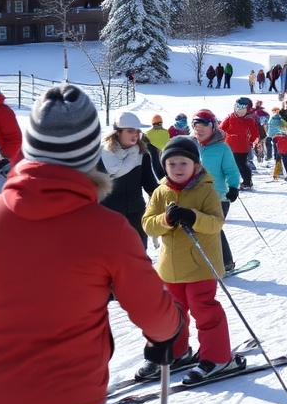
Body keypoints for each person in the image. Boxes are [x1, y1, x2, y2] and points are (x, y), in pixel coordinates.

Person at [0, 84, 182, 404]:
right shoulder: (108, 230)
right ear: (86, 153)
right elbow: (158, 318)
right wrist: (169, 329)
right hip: (68, 399)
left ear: (30, 146)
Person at [141, 135, 244, 385]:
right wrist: (165, 220)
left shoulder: (206, 190)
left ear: (196, 166)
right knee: (172, 313)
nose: (177, 169)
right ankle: (177, 352)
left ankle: (217, 357)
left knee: (204, 311)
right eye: (172, 164)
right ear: (164, 166)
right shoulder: (160, 191)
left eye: (183, 164)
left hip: (201, 266)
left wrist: (191, 216)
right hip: (170, 268)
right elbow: (147, 224)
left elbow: (215, 223)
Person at [98, 112, 164, 249]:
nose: (135, 134)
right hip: (108, 217)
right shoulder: (100, 156)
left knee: (138, 258)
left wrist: (167, 191)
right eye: (130, 130)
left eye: (137, 131)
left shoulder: (142, 154)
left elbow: (149, 183)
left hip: (136, 215)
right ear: (117, 132)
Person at [191, 109, 241, 273]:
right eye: (196, 124)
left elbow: (232, 171)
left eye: (204, 124)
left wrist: (233, 187)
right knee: (197, 229)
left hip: (218, 197)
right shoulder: (190, 145)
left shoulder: (222, 149)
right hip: (194, 196)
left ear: (213, 126)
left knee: (212, 229)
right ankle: (199, 261)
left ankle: (226, 263)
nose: (200, 128)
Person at [0, 74, 22, 195]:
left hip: (4, 164)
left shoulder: (4, 112)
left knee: (6, 197)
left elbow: (14, 139)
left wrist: (4, 160)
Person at [219, 97, 259, 190]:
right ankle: (226, 182)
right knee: (227, 165)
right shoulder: (231, 117)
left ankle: (247, 182)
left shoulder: (250, 119)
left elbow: (254, 132)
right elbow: (222, 128)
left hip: (242, 147)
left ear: (247, 110)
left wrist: (252, 141)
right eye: (238, 110)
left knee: (242, 164)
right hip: (229, 145)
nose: (239, 113)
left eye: (242, 111)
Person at [268, 109, 287, 180]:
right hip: (286, 151)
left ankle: (277, 174)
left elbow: (273, 138)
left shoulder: (271, 121)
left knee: (278, 161)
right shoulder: (282, 122)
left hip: (280, 150)